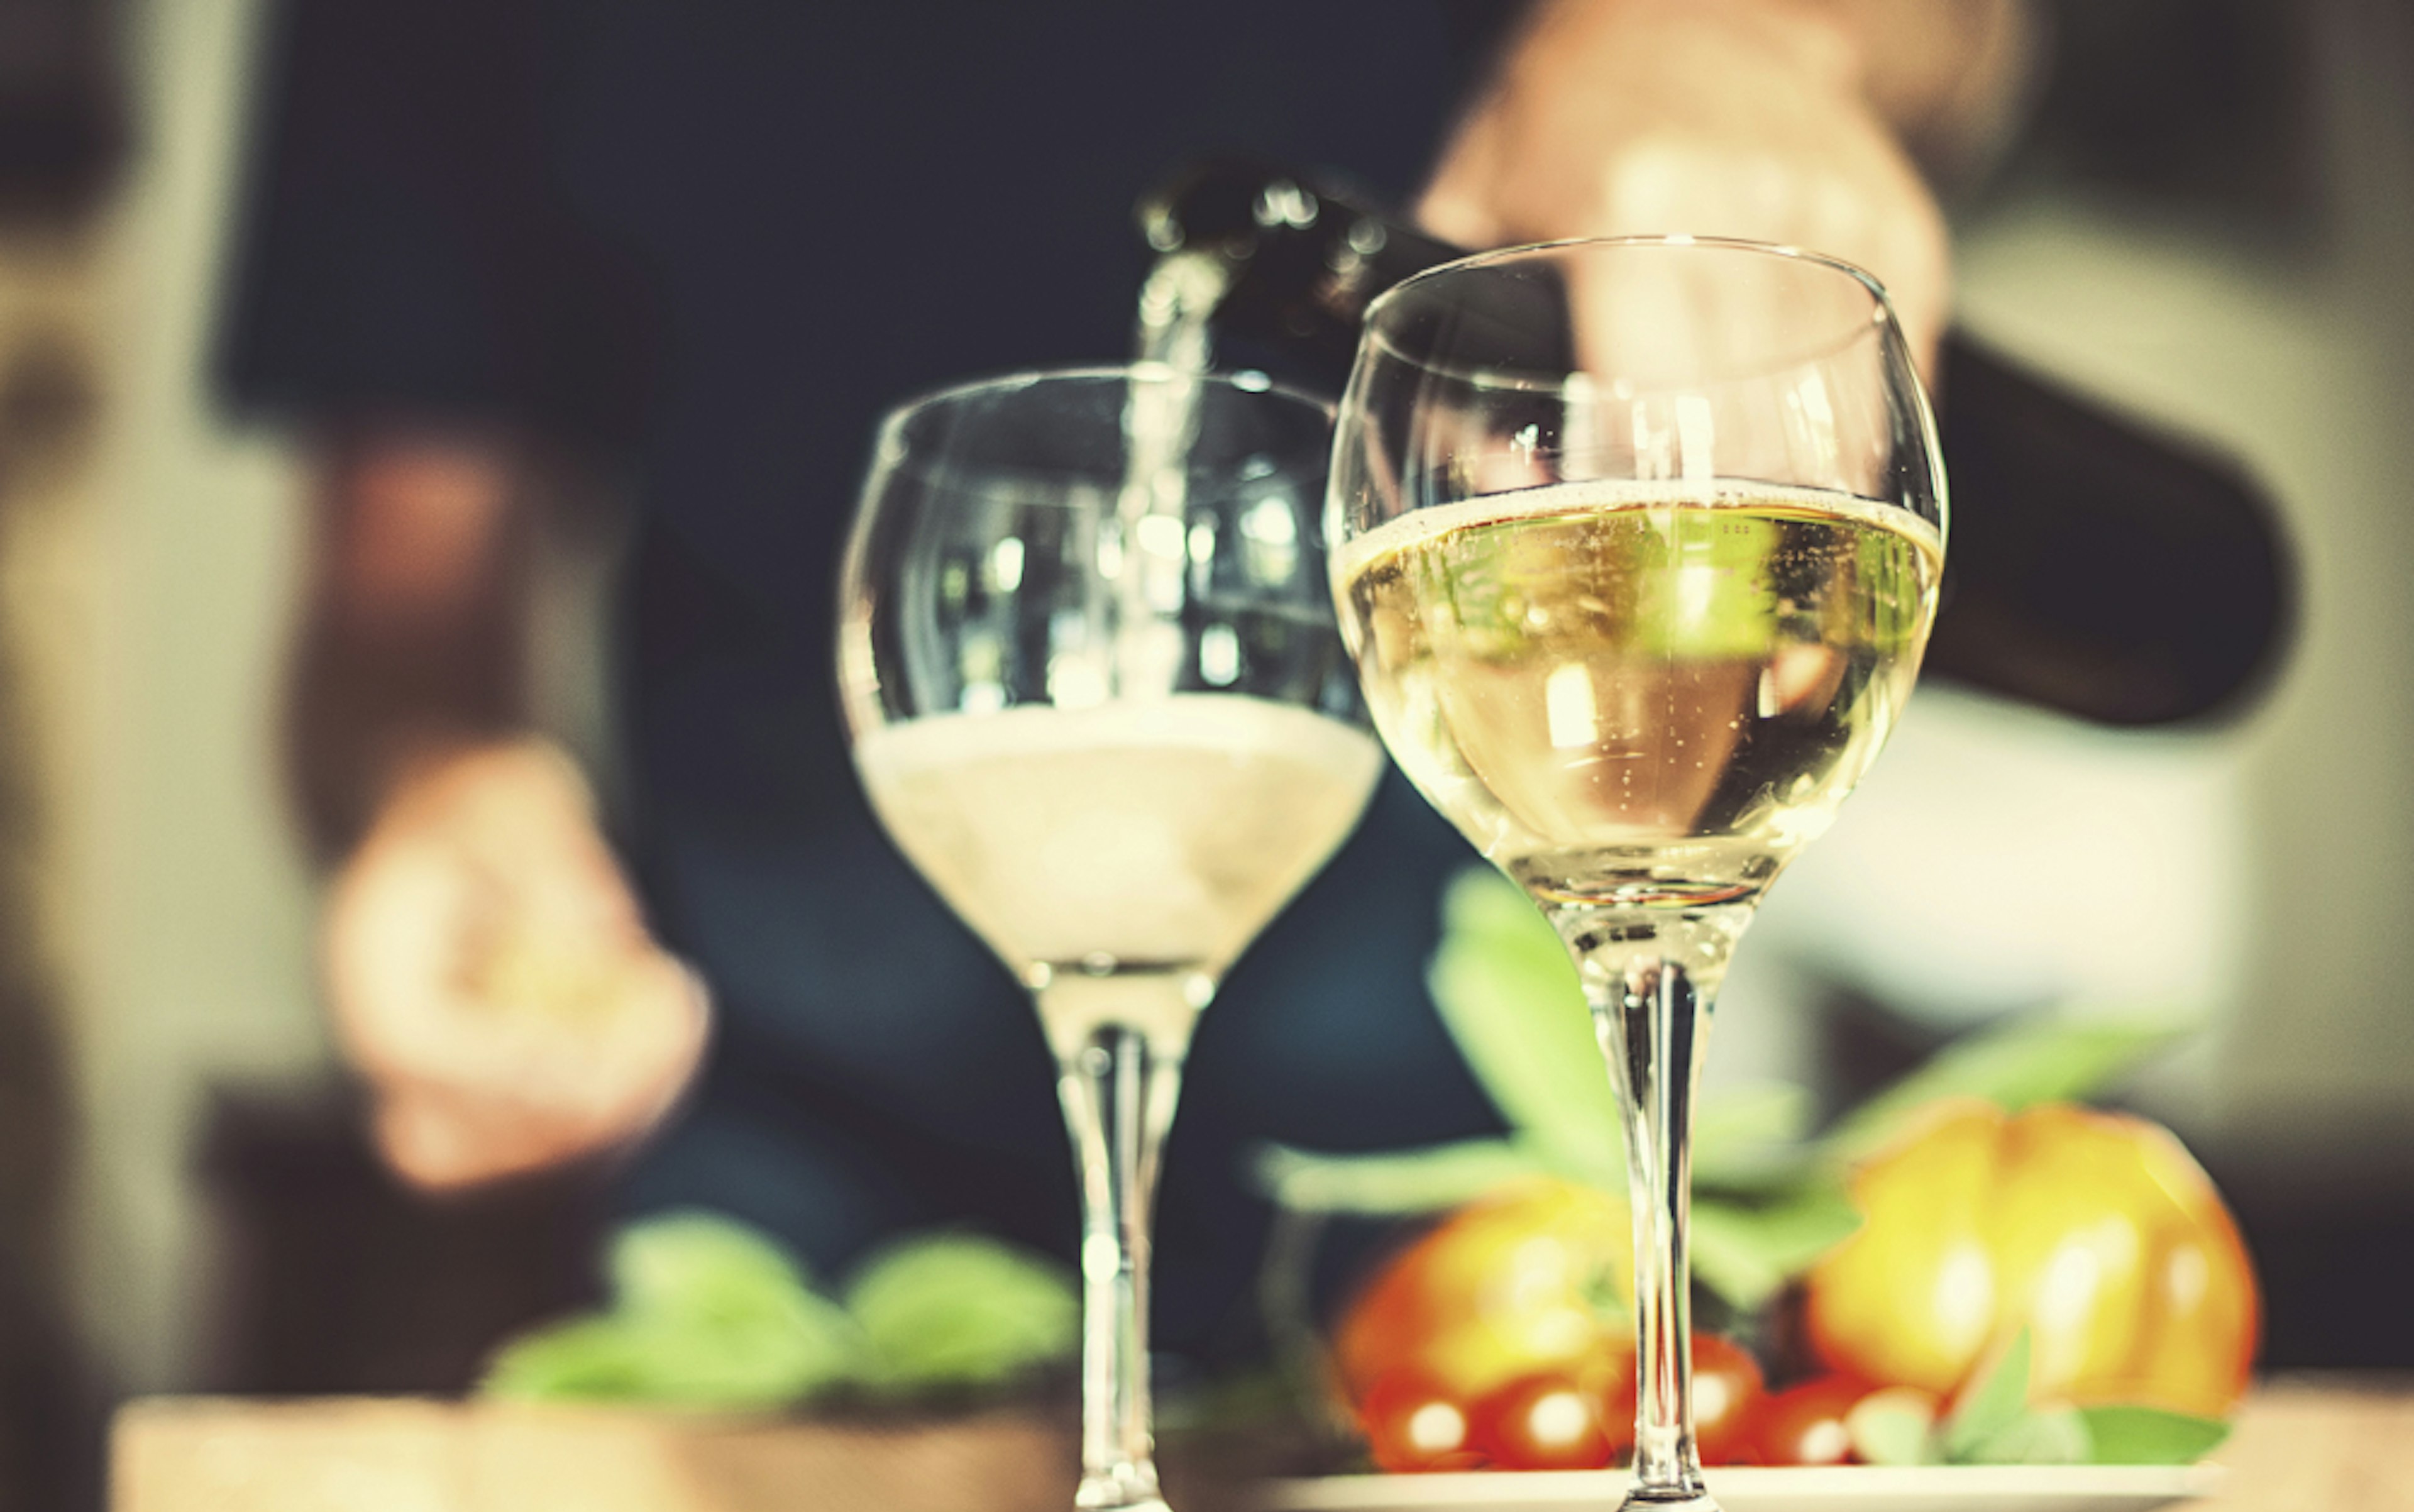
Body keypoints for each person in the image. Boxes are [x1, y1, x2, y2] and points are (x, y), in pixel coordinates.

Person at [224, 0, 2029, 1359]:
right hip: (776, 1166)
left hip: (1481, 1174)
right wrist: (432, 785)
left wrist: (1732, 38)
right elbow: (399, 603)